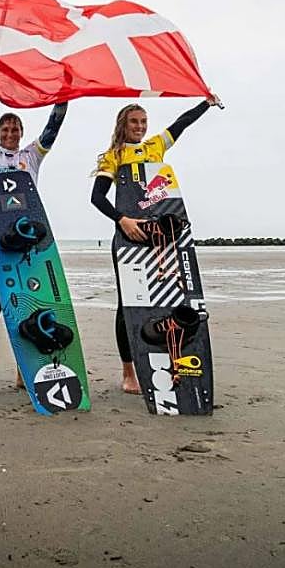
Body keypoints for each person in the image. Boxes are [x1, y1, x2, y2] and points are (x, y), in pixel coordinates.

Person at [89, 96, 220, 394]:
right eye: (134, 122)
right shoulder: (114, 156)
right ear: (123, 124)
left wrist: (206, 103)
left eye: (143, 122)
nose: (140, 127)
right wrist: (122, 220)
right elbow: (97, 198)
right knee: (128, 306)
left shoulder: (155, 147)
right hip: (129, 238)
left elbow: (181, 124)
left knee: (167, 300)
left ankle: (170, 362)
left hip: (161, 237)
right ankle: (128, 372)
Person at [0, 73, 68, 396]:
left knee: (27, 306)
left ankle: (22, 369)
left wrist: (64, 93)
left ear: (21, 133)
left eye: (15, 129)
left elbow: (53, 128)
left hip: (28, 243)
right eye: (6, 129)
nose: (10, 133)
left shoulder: (32, 156)